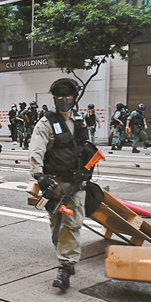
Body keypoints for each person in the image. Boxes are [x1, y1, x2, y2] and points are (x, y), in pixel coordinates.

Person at [29, 78, 94, 290]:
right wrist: (38, 174)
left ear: (75, 98)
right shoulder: (46, 123)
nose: (64, 101)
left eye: (68, 97)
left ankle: (65, 265)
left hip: (77, 184)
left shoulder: (80, 121)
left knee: (72, 224)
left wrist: (88, 168)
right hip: (55, 185)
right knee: (57, 225)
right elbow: (36, 148)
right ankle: (64, 254)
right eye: (59, 97)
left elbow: (86, 147)